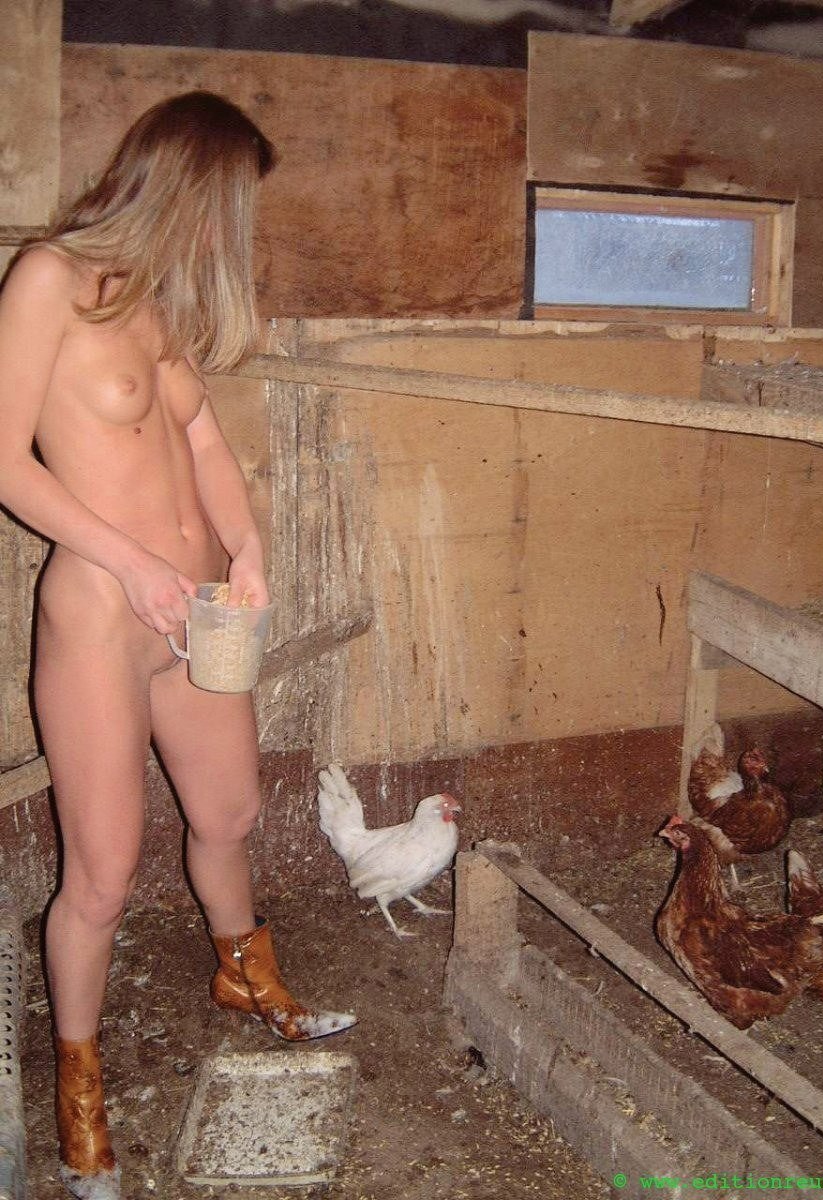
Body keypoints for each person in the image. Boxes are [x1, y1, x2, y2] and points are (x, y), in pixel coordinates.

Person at [0, 92, 355, 1200]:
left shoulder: (158, 300)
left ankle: (246, 977)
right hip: (104, 618)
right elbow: (2, 459)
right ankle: (80, 1089)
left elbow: (199, 437)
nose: (231, 232)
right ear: (183, 184)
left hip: (198, 610)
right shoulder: (46, 279)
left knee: (231, 814)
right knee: (102, 875)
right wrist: (131, 563)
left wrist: (246, 548)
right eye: (228, 206)